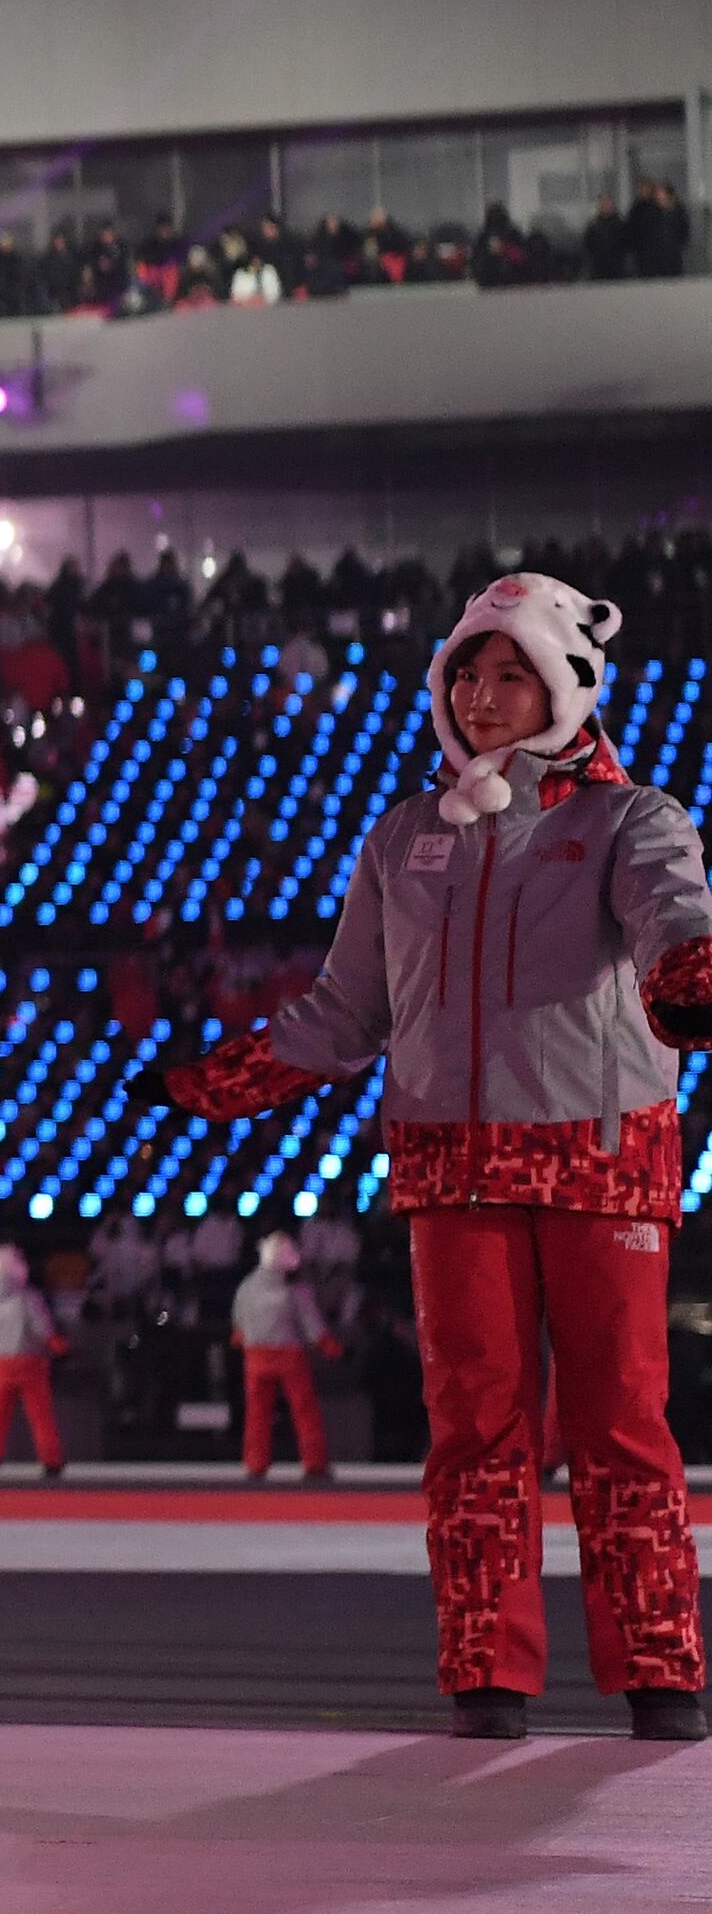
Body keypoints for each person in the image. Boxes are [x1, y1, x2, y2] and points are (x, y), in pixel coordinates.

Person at [164, 572, 712, 1741]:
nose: (482, 692)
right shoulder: (403, 834)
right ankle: (487, 1677)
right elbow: (345, 1012)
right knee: (475, 1431)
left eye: (513, 670)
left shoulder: (633, 819)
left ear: (566, 686)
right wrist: (215, 1082)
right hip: (449, 1167)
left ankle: (661, 1676)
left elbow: (674, 920)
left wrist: (688, 975)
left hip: (598, 1157)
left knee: (620, 1423)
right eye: (468, 669)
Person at [233, 1230, 337, 1484]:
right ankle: (314, 1463)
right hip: (289, 1355)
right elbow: (310, 1321)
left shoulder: (247, 1286)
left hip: (256, 1356)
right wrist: (327, 1344)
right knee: (304, 1411)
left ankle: (255, 1464)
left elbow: (239, 1318)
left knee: (258, 1413)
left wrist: (242, 1337)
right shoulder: (295, 1289)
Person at [0, 1242, 67, 1483]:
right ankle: (51, 1461)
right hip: (29, 1363)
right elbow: (41, 1329)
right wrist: (59, 1347)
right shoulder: (27, 1298)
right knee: (40, 1415)